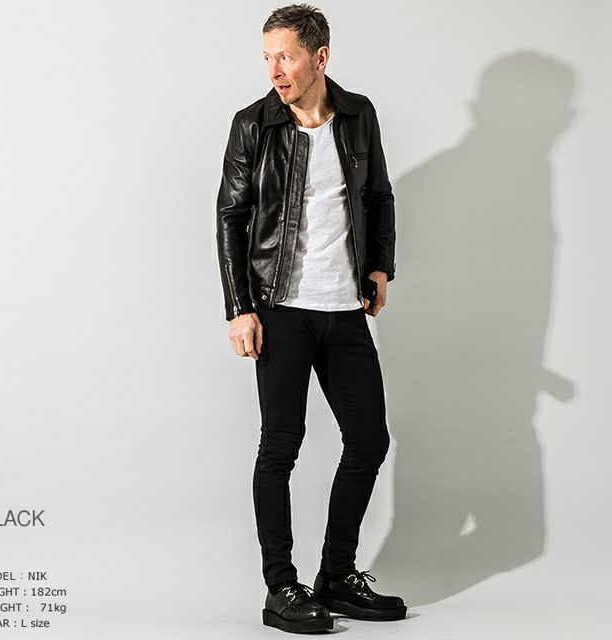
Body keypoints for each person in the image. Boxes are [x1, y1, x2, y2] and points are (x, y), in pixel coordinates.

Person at [216, 3, 406, 633]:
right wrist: (240, 308)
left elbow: (378, 196)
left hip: (343, 308)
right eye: (267, 57)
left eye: (287, 57)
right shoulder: (253, 125)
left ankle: (336, 576)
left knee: (369, 439)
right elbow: (230, 218)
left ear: (320, 57)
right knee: (281, 446)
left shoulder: (358, 115)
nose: (275, 70)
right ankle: (281, 588)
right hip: (280, 311)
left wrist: (379, 267)